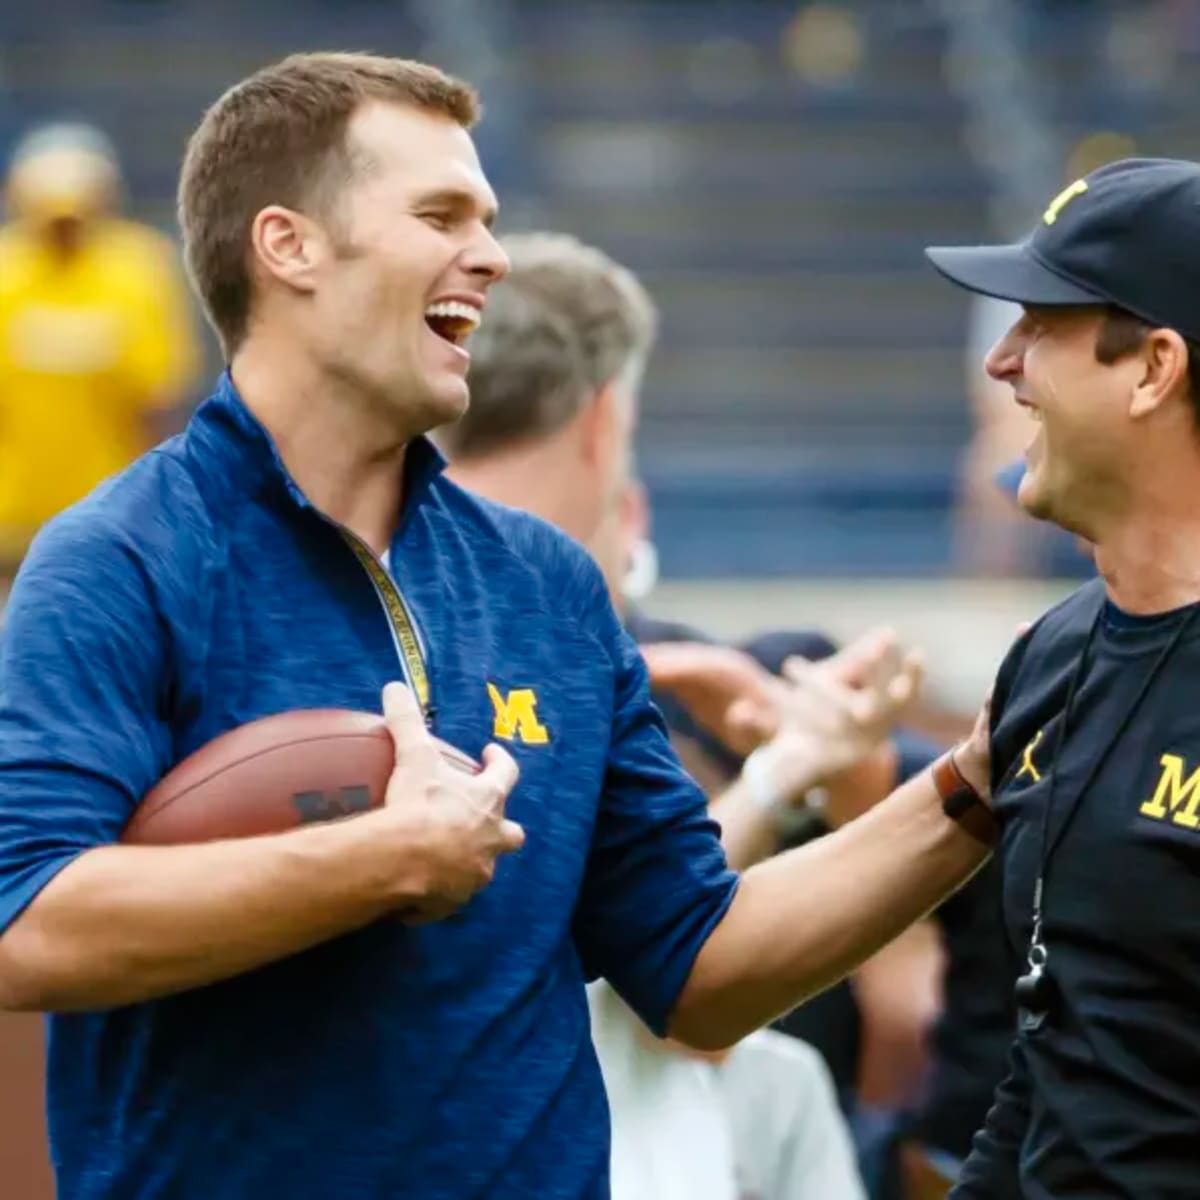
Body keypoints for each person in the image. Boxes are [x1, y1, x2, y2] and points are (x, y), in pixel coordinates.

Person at [0, 53, 995, 1200]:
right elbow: (33, 925)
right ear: (290, 248)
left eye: (489, 217)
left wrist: (970, 788)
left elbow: (701, 965)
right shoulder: (118, 559)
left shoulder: (548, 586)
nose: (492, 254)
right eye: (441, 214)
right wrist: (379, 861)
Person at [442, 231, 871, 1199]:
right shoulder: (538, 612)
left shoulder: (377, 581)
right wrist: (788, 771)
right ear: (603, 421)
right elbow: (648, 956)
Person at [926, 156, 1200, 1199]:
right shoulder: (1052, 655)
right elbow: (1056, 1062)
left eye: (1040, 324)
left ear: (1153, 368)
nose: (1002, 363)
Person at [0, 122, 199, 582]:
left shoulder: (137, 270)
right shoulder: (6, 272)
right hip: (12, 514)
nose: (65, 231)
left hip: (107, 512)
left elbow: (158, 398)